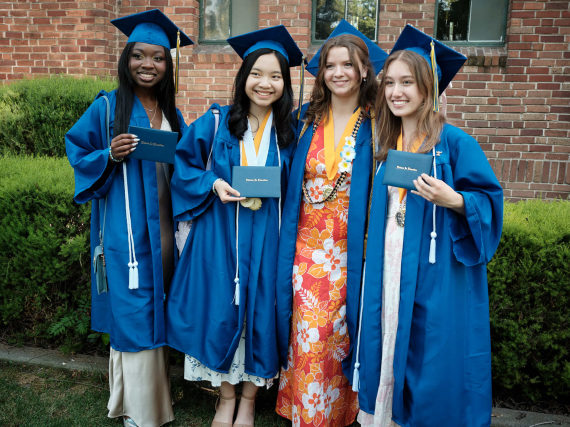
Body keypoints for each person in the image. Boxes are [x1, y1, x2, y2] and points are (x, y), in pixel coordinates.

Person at [349, 25, 504, 427]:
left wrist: (453, 199)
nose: (396, 92)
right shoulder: (385, 141)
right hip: (389, 261)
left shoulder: (455, 143)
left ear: (427, 88)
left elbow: (489, 203)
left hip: (433, 269)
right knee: (387, 338)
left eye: (408, 83)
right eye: (390, 84)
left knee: (429, 350)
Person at [164, 26, 303, 427]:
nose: (265, 83)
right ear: (244, 78)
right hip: (221, 235)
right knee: (220, 310)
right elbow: (184, 167)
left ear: (285, 84)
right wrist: (213, 183)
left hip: (267, 238)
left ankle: (248, 399)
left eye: (275, 76)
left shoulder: (290, 133)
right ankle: (225, 398)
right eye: (257, 73)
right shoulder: (215, 121)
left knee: (261, 312)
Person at [65, 9, 192, 427]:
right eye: (139, 56)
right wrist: (109, 154)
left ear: (167, 64)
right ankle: (142, 412)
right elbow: (78, 152)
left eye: (157, 57)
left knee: (156, 307)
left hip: (164, 233)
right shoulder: (106, 108)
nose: (148, 65)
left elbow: (188, 164)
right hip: (127, 234)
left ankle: (137, 399)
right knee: (134, 310)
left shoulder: (172, 111)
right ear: (126, 59)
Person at [274, 20, 388, 427]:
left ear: (363, 71)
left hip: (349, 250)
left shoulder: (378, 123)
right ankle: (307, 413)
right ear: (321, 73)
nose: (338, 72)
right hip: (304, 247)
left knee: (339, 335)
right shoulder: (305, 118)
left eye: (347, 65)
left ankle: (336, 412)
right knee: (307, 332)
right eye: (330, 65)